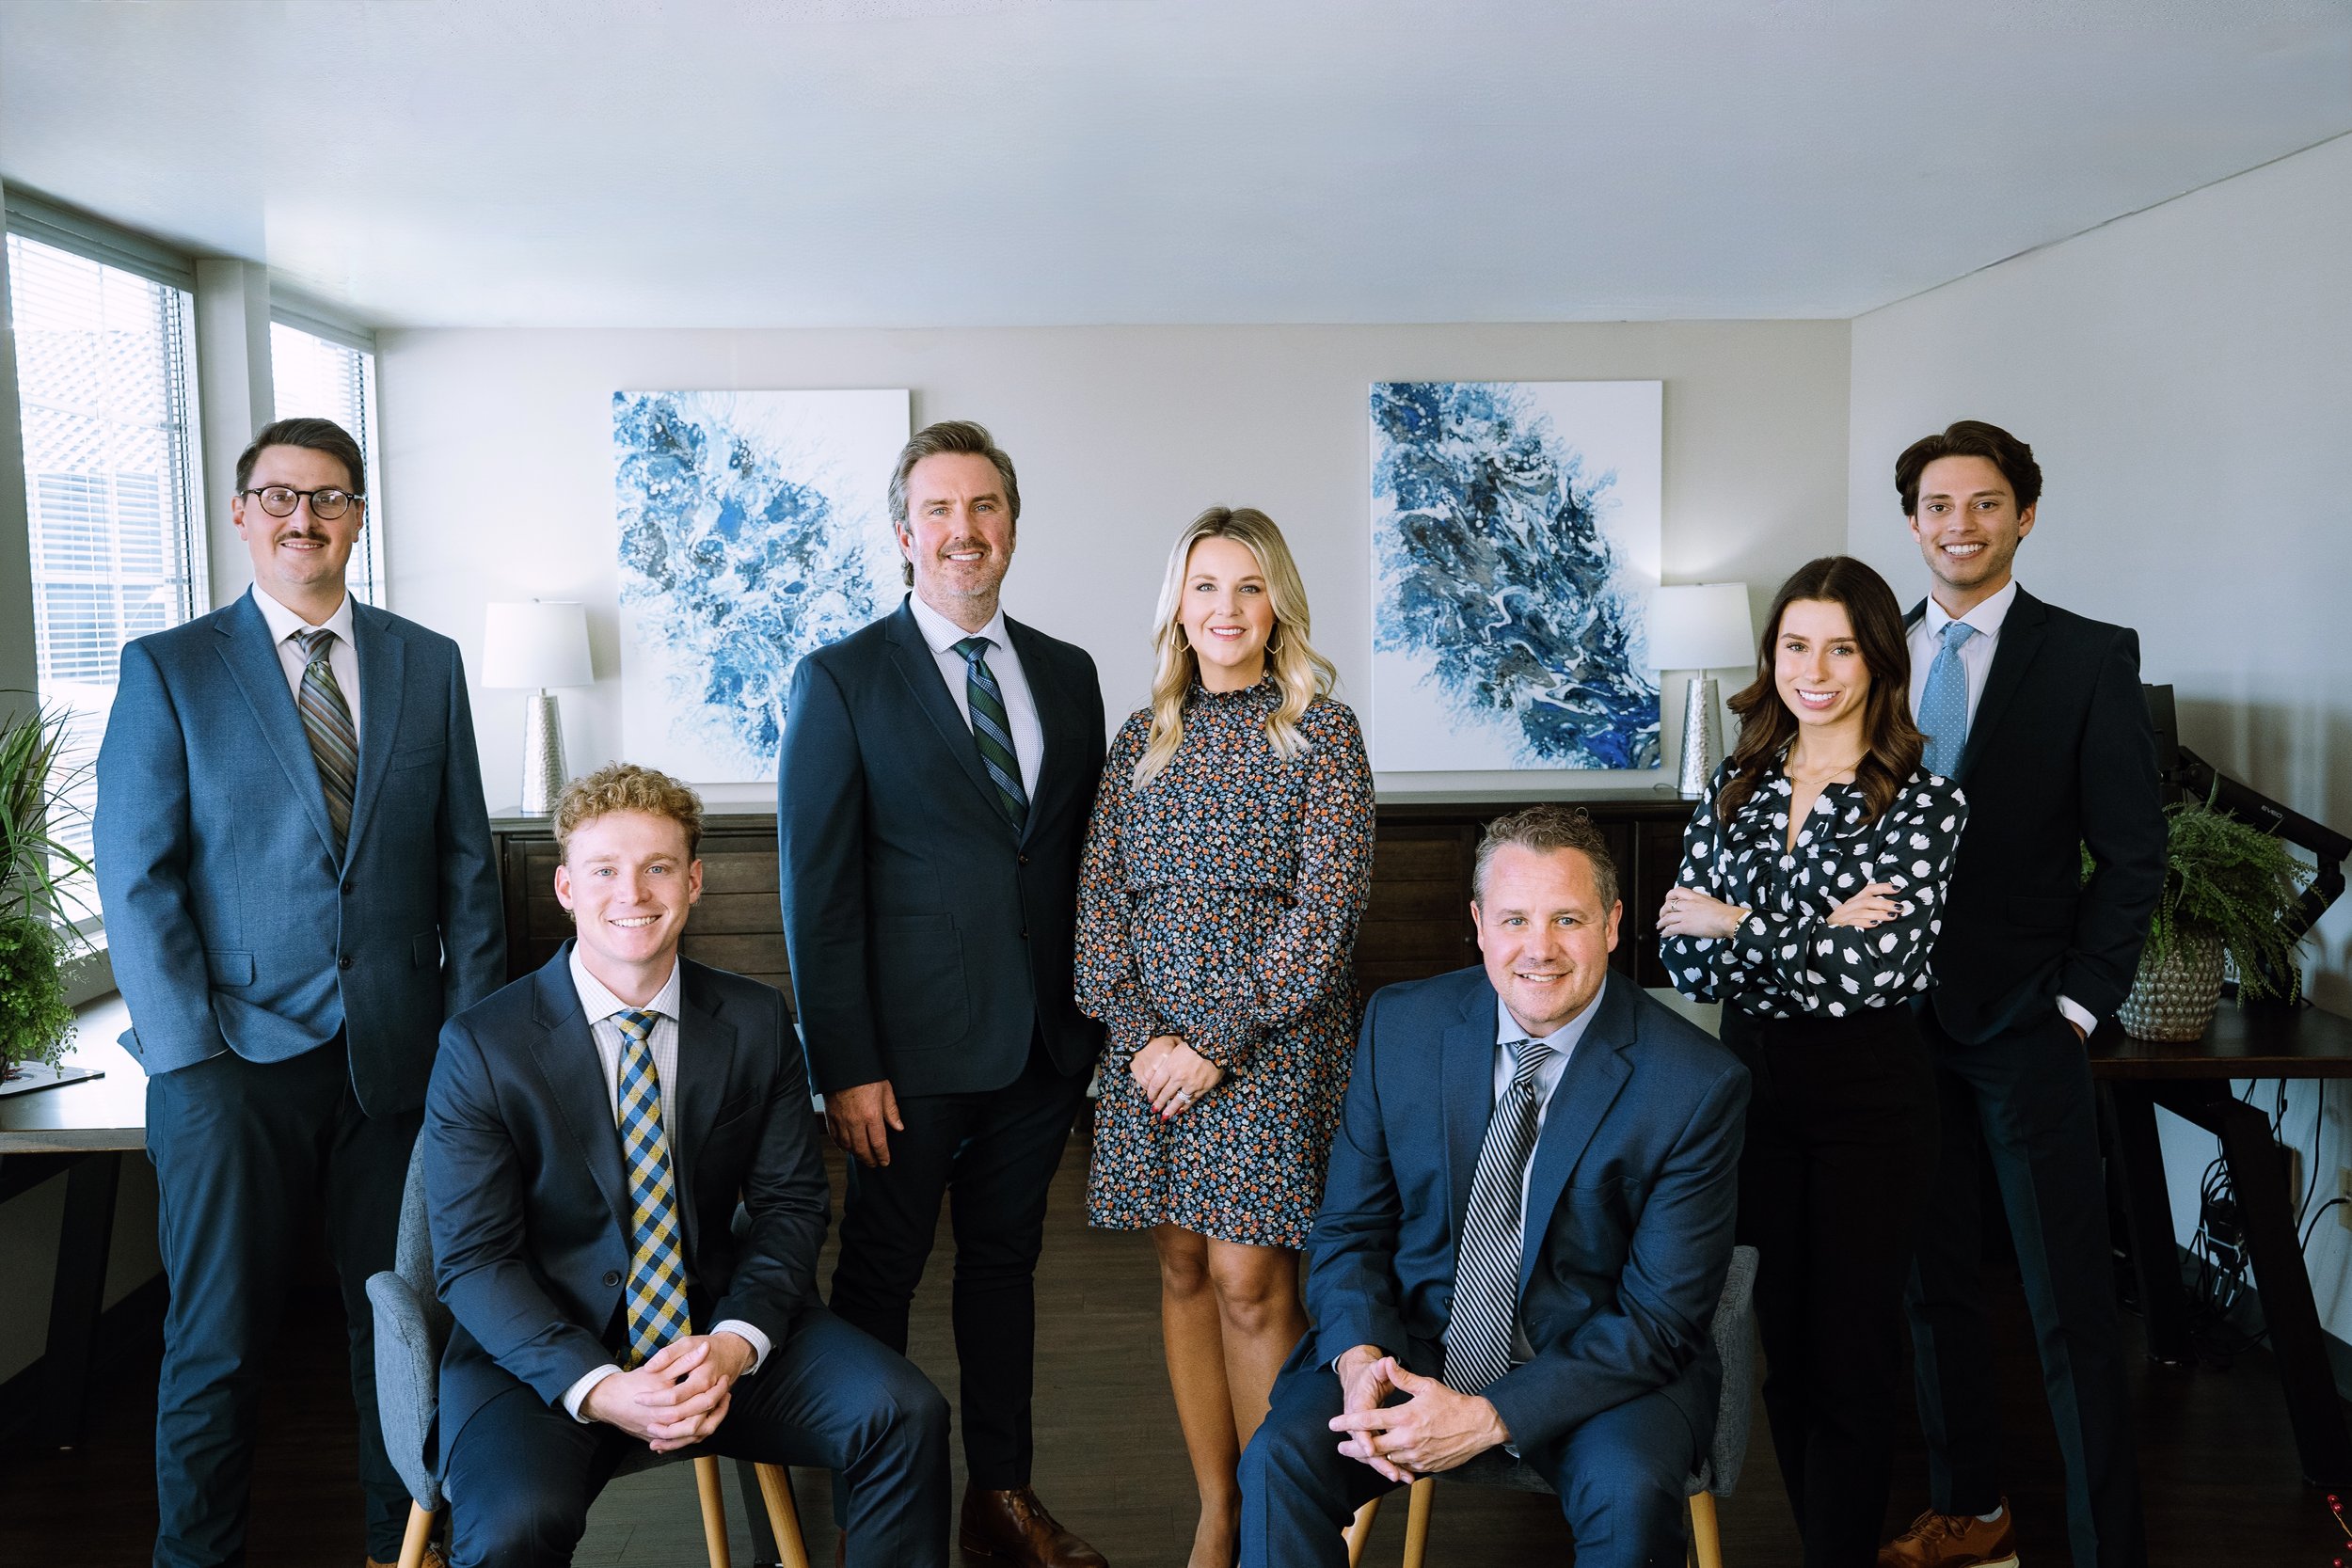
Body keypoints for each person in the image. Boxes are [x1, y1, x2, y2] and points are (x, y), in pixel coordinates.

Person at [94, 417, 504, 1568]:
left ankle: (398, 1545)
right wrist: (189, 1058)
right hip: (228, 1062)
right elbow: (135, 874)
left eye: (327, 497)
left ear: (358, 516)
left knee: (403, 1328)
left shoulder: (427, 661)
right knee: (216, 1339)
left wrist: (466, 1050)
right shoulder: (171, 666)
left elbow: (468, 870)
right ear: (241, 513)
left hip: (398, 1063)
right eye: (278, 495)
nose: (302, 518)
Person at [424, 765, 949, 1567]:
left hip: (711, 1333)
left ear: (694, 881)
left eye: (658, 866)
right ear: (566, 887)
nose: (632, 892)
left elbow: (790, 1207)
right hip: (540, 1353)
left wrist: (735, 1342)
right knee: (513, 1526)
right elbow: (474, 1260)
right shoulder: (482, 1045)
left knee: (904, 1414)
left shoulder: (756, 1020)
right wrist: (600, 1384)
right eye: (605, 870)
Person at [1238, 806, 1749, 1568]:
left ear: (1612, 924)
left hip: (1597, 1364)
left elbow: (1658, 1321)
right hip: (1419, 1341)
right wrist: (1358, 1356)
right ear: (1478, 925)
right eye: (1514, 919)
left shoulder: (1695, 1083)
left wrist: (1488, 1416)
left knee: (1629, 1495)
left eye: (1567, 918)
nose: (1539, 948)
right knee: (1280, 1460)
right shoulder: (1400, 1027)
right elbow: (1350, 1230)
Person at [778, 420, 1110, 1568]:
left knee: (1004, 1269)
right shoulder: (841, 678)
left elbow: (1076, 859)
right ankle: (855, 1510)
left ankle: (1002, 1496)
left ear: (1011, 523)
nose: (964, 530)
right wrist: (845, 1063)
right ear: (903, 532)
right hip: (903, 1061)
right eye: (939, 509)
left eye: (984, 507)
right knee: (879, 1274)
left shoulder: (1068, 673)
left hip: (1040, 1045)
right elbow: (816, 890)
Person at [1879, 421, 2163, 1568]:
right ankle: (1971, 1510)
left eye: (1985, 503)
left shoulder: (2087, 656)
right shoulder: (1870, 654)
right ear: (1912, 522)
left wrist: (2080, 1004)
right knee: (1932, 1289)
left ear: (2024, 516)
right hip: (1893, 1027)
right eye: (1939, 505)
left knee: (2067, 1304)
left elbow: (2132, 854)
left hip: (2026, 1024)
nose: (1961, 524)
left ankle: (2105, 1547)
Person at [1075, 507, 1375, 1568]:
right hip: (1151, 1054)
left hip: (1268, 1048)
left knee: (1251, 1279)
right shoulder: (1141, 738)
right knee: (1182, 1268)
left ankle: (1278, 1514)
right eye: (1206, 586)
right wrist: (1145, 1036)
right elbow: (1099, 904)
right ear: (1179, 605)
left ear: (1278, 604)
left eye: (1249, 586)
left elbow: (1326, 916)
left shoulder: (1323, 734)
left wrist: (1213, 1040)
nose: (1227, 607)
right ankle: (1220, 1507)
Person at [1658, 557, 1966, 1568]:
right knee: (1783, 1352)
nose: (1815, 670)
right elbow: (1682, 955)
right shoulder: (1734, 785)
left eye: (1841, 648)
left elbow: (1871, 974)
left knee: (1852, 1354)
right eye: (1796, 645)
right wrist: (1817, 926)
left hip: (1869, 1095)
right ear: (1772, 655)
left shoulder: (1923, 803)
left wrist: (1737, 919)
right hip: (1750, 1090)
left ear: (1879, 661)